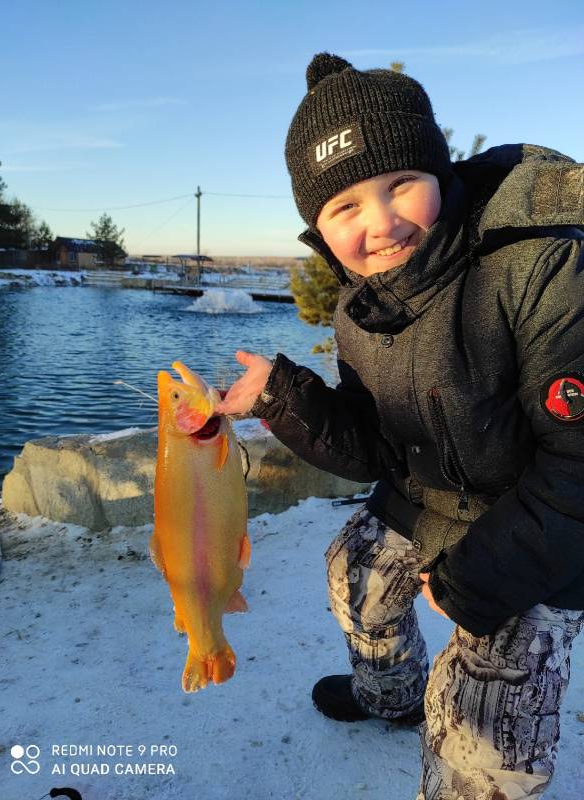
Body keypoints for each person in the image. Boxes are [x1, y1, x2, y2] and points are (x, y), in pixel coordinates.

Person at [217, 52, 584, 799]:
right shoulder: (359, 310)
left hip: (542, 527)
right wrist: (281, 397)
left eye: (399, 186)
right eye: (343, 207)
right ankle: (390, 698)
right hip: (433, 498)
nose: (378, 223)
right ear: (317, 228)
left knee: (479, 731)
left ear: (439, 177)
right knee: (353, 568)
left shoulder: (536, 268)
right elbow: (375, 447)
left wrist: (479, 576)